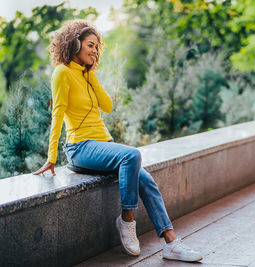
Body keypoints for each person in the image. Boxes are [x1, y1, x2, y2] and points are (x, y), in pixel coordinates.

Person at [33, 19, 202, 263]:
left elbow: (107, 106)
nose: (94, 51)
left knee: (147, 181)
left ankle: (171, 243)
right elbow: (57, 114)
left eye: (97, 47)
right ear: (75, 43)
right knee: (131, 155)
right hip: (80, 147)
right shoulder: (62, 73)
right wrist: (51, 158)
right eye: (90, 45)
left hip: (103, 144)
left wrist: (91, 76)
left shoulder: (86, 74)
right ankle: (127, 221)